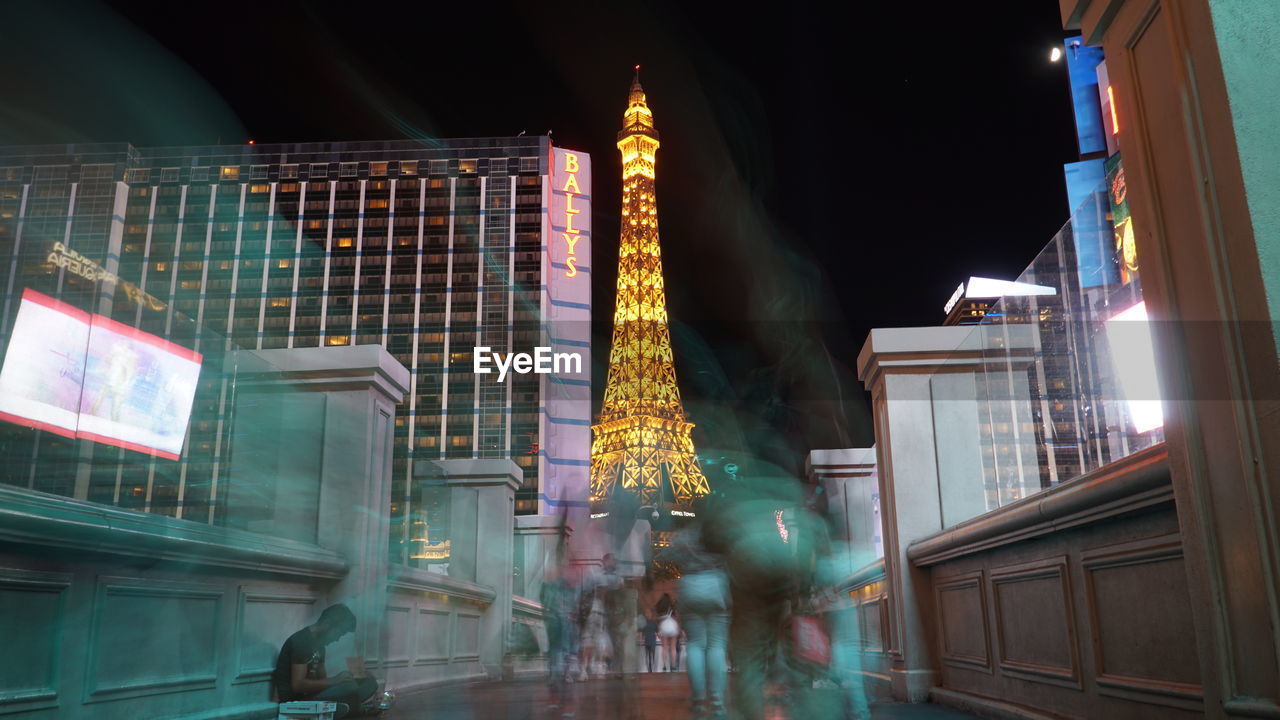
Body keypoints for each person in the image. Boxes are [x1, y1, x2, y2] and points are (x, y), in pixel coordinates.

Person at [655, 496, 732, 718]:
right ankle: (717, 702)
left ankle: (698, 701)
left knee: (696, 644)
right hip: (716, 587)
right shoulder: (719, 533)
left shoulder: (684, 536)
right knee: (717, 646)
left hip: (690, 587)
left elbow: (662, 556)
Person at [271, 604, 378, 719]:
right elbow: (298, 685)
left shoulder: (320, 646)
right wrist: (336, 680)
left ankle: (346, 708)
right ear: (327, 625)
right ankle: (352, 708)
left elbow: (323, 680)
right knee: (349, 687)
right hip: (296, 701)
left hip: (313, 696)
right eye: (339, 633)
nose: (337, 639)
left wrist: (350, 677)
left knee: (369, 682)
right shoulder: (301, 642)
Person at [655, 593, 680, 672]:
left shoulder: (660, 607)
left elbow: (657, 619)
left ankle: (664, 666)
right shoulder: (672, 607)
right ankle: (673, 666)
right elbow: (676, 616)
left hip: (664, 627)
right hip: (672, 626)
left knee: (664, 647)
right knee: (673, 647)